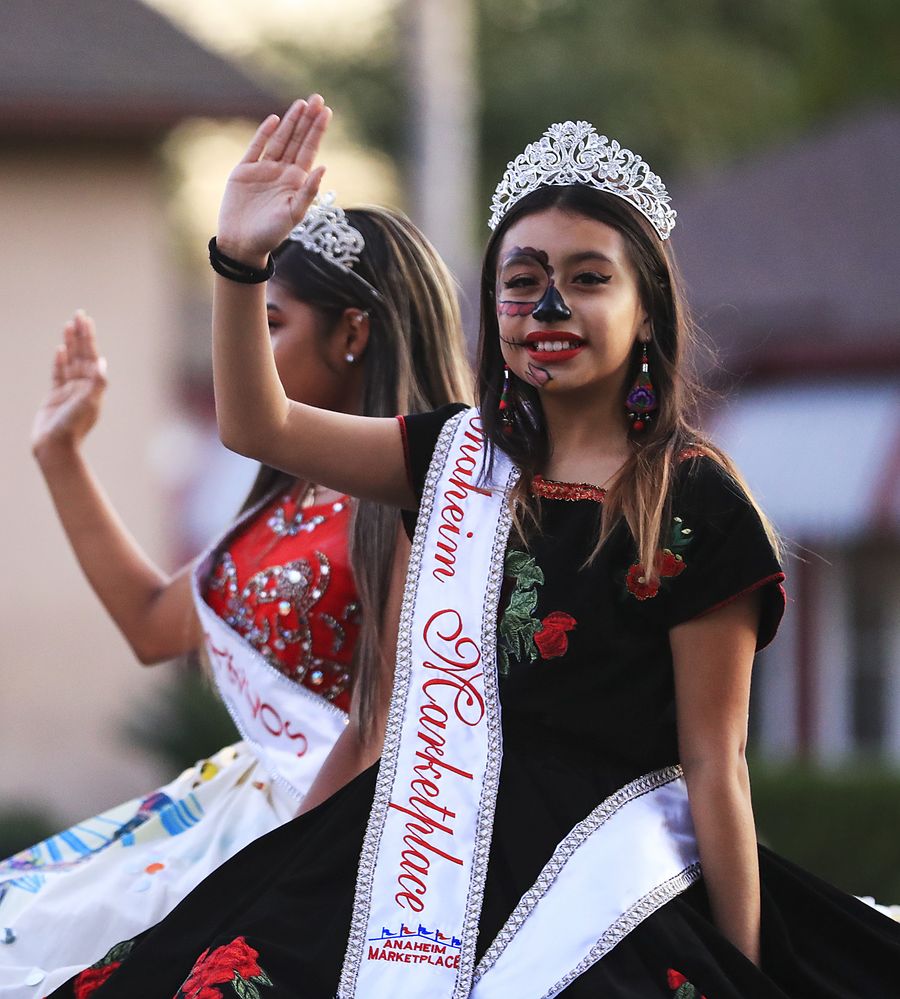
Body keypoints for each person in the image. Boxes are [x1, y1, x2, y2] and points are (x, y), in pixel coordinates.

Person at [52, 98, 900, 999]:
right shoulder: (452, 458)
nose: (549, 305)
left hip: (599, 885)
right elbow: (258, 426)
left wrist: (742, 965)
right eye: (522, 279)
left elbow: (713, 765)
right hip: (417, 851)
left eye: (588, 277)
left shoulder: (692, 502)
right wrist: (240, 260)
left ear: (648, 311)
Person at [0, 197, 472, 995]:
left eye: (272, 322)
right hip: (226, 812)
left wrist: (281, 879)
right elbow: (153, 625)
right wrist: (60, 454)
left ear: (353, 333)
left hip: (328, 834)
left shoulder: (424, 500)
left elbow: (385, 727)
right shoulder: (284, 496)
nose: (244, 349)